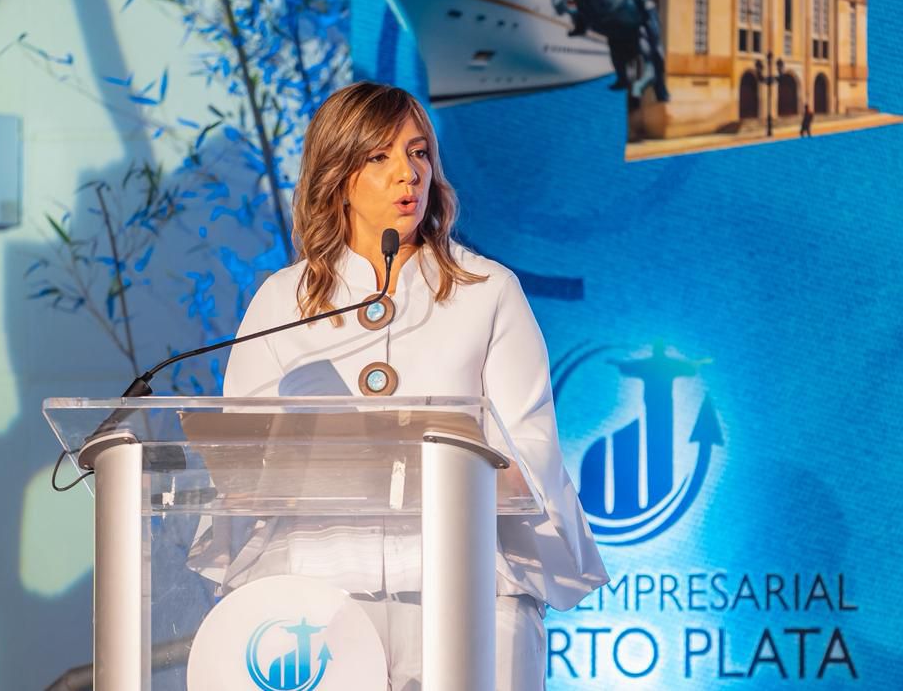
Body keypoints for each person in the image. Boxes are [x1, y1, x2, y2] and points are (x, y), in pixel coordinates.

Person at [202, 82, 608, 690]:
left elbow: (532, 453)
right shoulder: (282, 301)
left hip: (467, 588)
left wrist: (443, 467)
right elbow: (243, 464)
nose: (408, 173)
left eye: (419, 153)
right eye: (380, 156)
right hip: (319, 599)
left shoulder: (486, 290)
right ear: (338, 175)